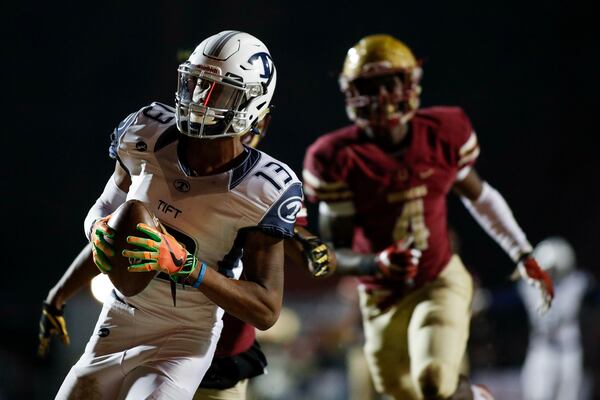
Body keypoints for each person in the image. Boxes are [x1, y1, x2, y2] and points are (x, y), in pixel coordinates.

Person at [51, 30, 304, 400]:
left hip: (184, 335)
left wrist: (189, 267)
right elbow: (105, 208)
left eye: (221, 91)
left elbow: (265, 309)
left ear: (253, 101)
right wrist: (97, 230)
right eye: (197, 83)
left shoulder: (264, 187)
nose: (201, 99)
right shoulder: (145, 132)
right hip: (119, 317)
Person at [302, 34, 554, 400]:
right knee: (400, 392)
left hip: (438, 279)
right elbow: (331, 253)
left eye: (389, 83)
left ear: (409, 84)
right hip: (380, 296)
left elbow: (480, 197)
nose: (382, 97)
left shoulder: (441, 133)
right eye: (369, 87)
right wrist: (376, 263)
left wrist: (522, 253)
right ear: (350, 92)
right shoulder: (337, 158)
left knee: (434, 380)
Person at [519, 237, 592, 400]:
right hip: (542, 349)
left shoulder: (578, 283)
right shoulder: (530, 286)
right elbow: (505, 300)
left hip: (569, 351)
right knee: (537, 395)